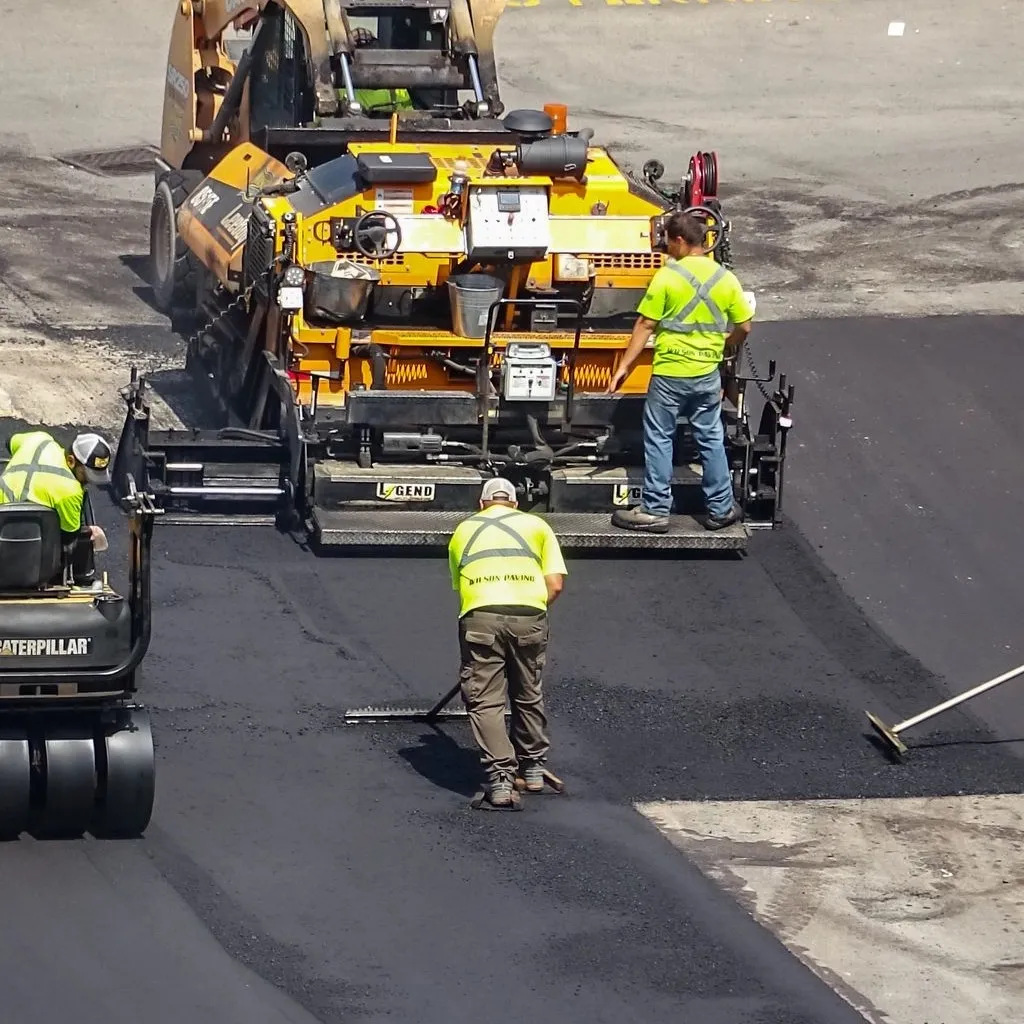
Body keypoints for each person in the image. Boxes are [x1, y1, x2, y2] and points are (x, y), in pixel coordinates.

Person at [606, 210, 755, 533]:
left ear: (679, 241)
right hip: (706, 374)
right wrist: (725, 346)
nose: (665, 250)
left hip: (671, 373)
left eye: (667, 243)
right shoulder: (725, 279)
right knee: (711, 438)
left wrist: (624, 366)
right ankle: (721, 509)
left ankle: (656, 509)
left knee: (660, 437)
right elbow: (744, 326)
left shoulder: (667, 278)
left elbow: (646, 324)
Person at [447, 477, 567, 807]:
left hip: (481, 617)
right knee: (527, 691)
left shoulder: (463, 531)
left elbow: (463, 589)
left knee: (485, 700)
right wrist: (531, 612)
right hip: (530, 616)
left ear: (482, 504)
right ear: (514, 503)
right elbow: (555, 585)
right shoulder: (537, 525)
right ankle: (533, 769)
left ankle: (501, 779)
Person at [0, 430, 112, 585]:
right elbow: (70, 537)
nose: (88, 481)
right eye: (86, 475)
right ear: (71, 461)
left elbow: (9, 442)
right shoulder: (71, 492)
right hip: (36, 558)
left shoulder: (39, 438)